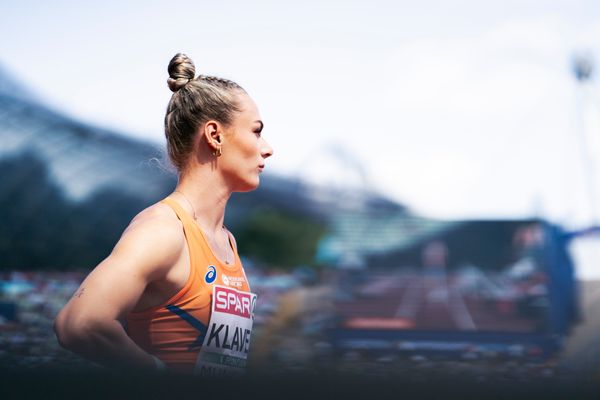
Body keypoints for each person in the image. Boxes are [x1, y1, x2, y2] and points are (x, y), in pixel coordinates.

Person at [54, 53, 273, 374]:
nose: (267, 147)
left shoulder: (227, 241)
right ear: (215, 136)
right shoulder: (163, 230)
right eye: (256, 131)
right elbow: (78, 323)